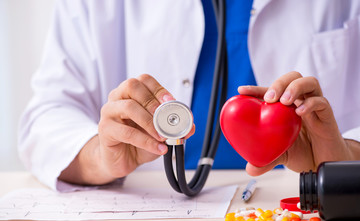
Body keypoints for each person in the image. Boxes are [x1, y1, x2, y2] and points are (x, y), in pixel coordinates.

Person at [19, 0, 360, 190]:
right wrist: (101, 156)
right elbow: (46, 116)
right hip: (150, 215)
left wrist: (345, 158)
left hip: (304, 212)